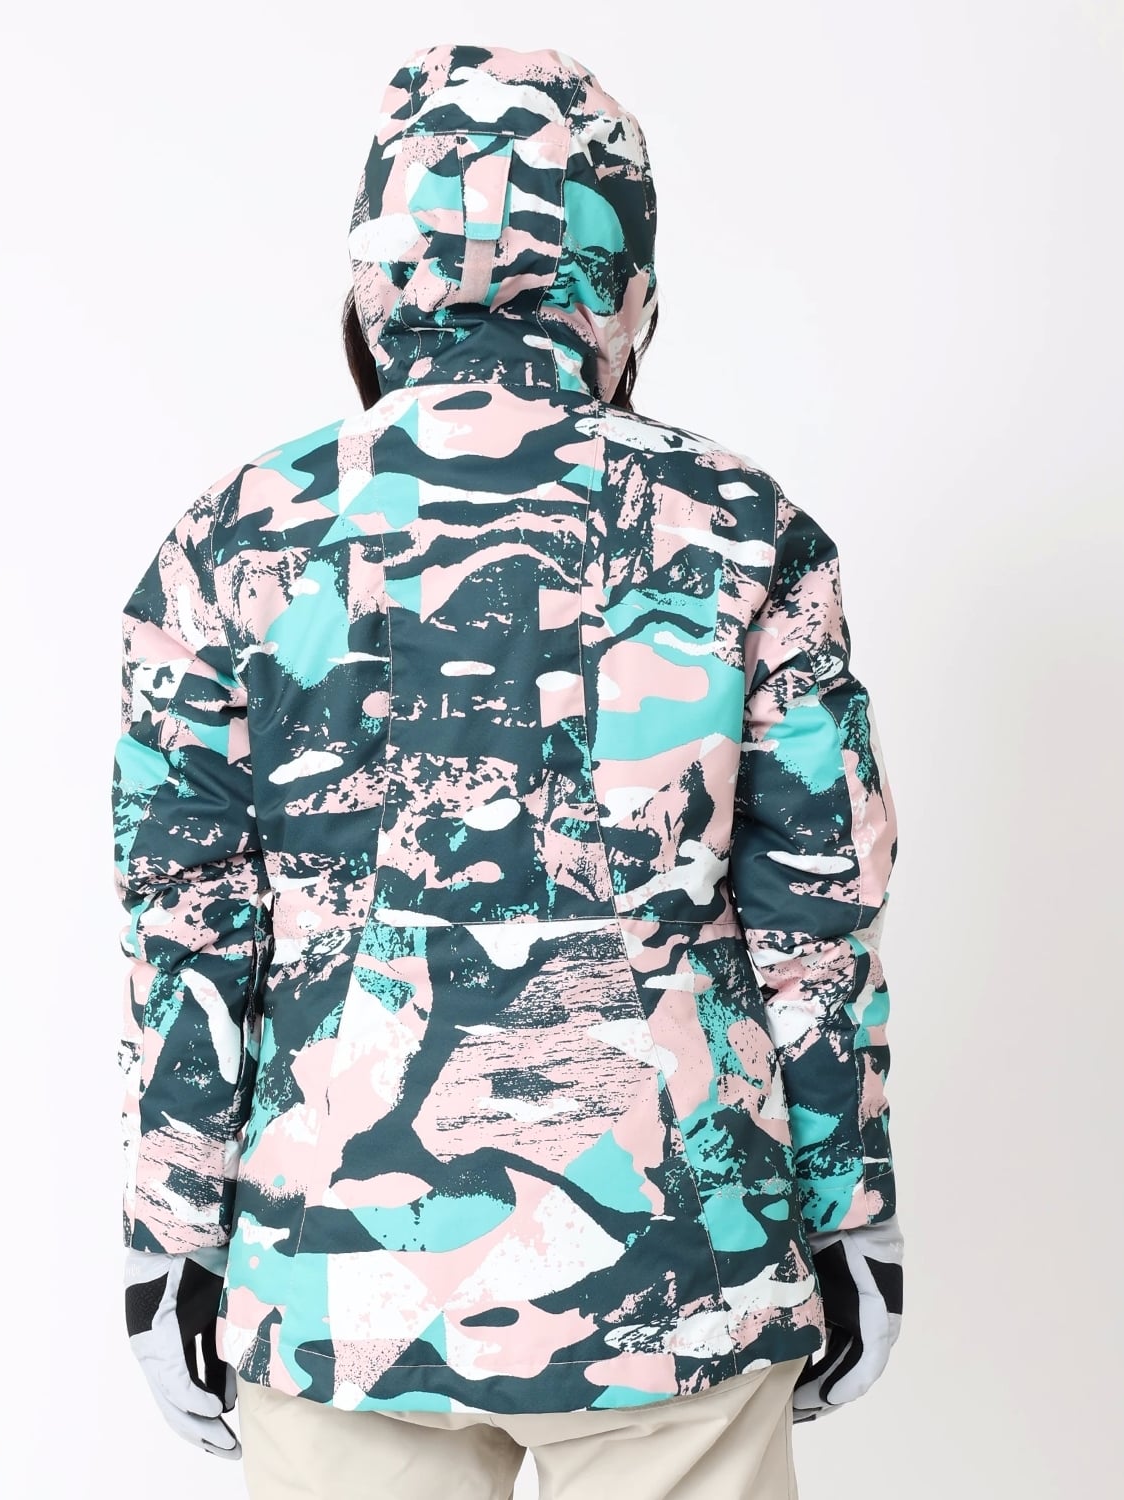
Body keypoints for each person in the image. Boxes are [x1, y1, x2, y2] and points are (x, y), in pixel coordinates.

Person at [114, 41, 905, 1500]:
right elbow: (814, 915)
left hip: (331, 1280)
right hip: (682, 1276)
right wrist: (851, 1208)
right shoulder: (742, 528)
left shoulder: (229, 541)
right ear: (624, 284)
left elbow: (186, 929)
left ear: (375, 269)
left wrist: (171, 1233)